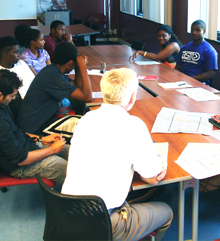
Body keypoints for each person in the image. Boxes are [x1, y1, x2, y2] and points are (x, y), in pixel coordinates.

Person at [62, 68, 173, 241]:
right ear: (132, 97)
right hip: (103, 222)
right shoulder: (134, 126)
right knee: (167, 212)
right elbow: (151, 178)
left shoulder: (86, 119)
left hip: (68, 211)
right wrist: (160, 162)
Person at [0, 69, 68, 183]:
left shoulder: (3, 105)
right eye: (12, 95)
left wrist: (41, 138)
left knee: (70, 150)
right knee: (70, 169)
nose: (14, 98)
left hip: (27, 147)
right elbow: (21, 159)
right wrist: (52, 150)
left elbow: (16, 131)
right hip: (20, 166)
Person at [17, 42, 92, 135]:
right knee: (83, 128)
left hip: (37, 122)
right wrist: (83, 66)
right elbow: (87, 97)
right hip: (35, 129)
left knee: (80, 110)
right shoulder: (52, 76)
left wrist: (77, 67)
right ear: (70, 63)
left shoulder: (53, 70)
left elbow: (77, 88)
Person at [176, 20, 218, 85]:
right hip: (181, 81)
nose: (194, 32)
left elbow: (210, 74)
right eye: (192, 30)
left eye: (197, 30)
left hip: (199, 84)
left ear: (204, 31)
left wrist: (189, 78)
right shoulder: (184, 48)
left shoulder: (210, 51)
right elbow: (178, 67)